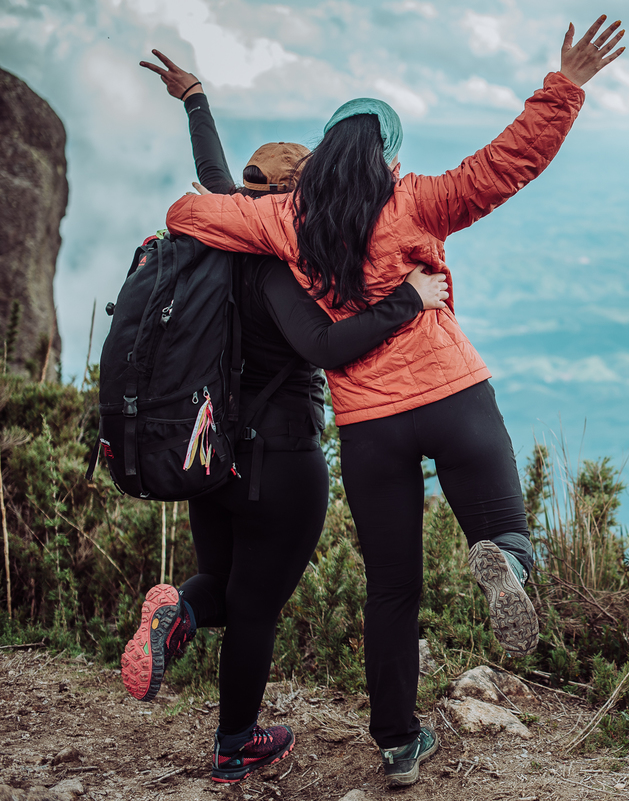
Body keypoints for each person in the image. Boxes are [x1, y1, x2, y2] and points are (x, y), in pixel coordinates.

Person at [165, 15, 626, 787]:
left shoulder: (284, 221)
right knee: (506, 528)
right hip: (452, 394)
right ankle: (506, 560)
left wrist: (248, 213)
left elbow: (186, 213)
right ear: (388, 156)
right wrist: (565, 87)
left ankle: (398, 743)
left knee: (392, 588)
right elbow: (504, 165)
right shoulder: (417, 201)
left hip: (370, 427)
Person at [123, 51, 451, 785]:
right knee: (257, 607)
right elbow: (322, 346)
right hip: (281, 461)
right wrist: (409, 299)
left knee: (223, 584)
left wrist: (196, 100)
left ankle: (180, 614)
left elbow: (213, 176)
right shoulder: (280, 266)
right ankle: (233, 743)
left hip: (210, 453)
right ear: (296, 197)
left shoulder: (220, 236)